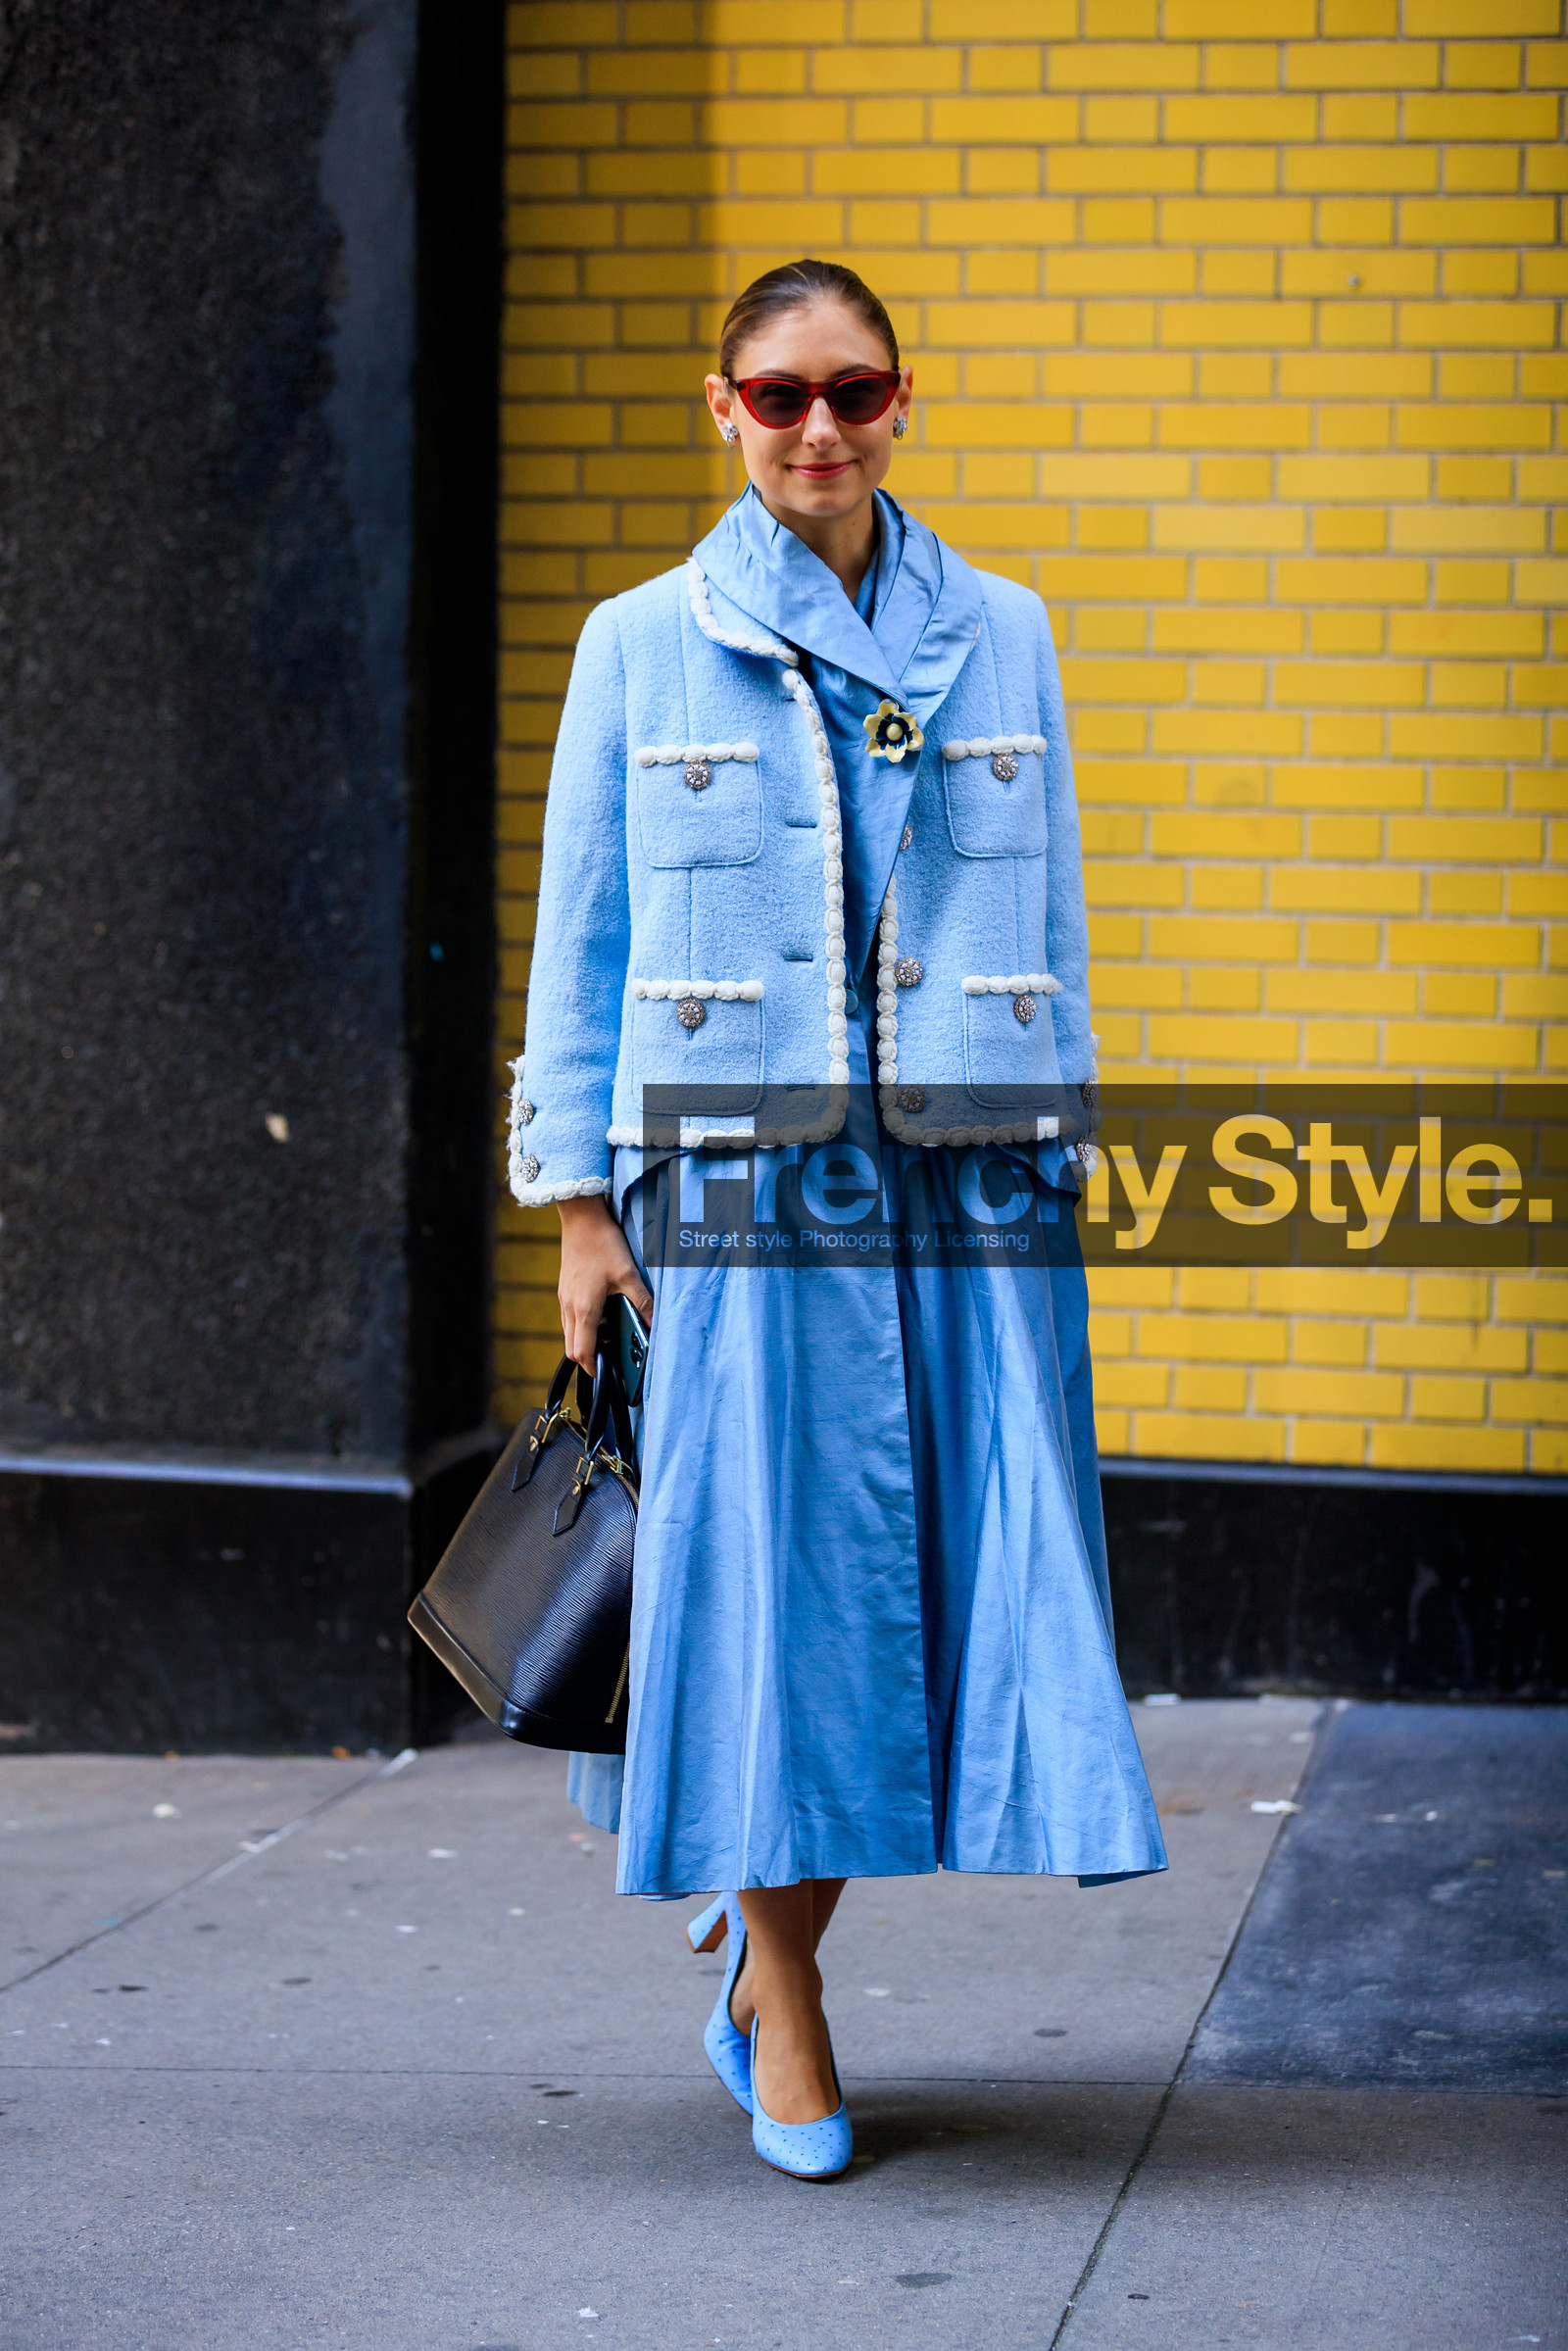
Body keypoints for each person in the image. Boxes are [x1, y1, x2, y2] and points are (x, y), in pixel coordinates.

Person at [508, 258, 1166, 2182]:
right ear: (720, 407)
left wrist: (1066, 1132)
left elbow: (1042, 913)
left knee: (926, 1592)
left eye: (853, 392)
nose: (817, 427)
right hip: (732, 1175)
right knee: (776, 1591)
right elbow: (578, 951)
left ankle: (762, 1954)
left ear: (899, 405)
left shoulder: (1008, 632)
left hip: (966, 1182)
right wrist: (571, 1206)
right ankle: (780, 1995)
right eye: (779, 393)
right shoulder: (639, 640)